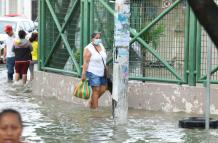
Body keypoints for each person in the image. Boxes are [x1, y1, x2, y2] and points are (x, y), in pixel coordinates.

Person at [81, 32, 108, 109]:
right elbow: (85, 63)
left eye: (99, 38)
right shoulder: (88, 48)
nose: (98, 39)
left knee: (103, 89)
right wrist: (83, 75)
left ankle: (91, 102)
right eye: (96, 38)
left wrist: (106, 68)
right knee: (96, 90)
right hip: (93, 72)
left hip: (102, 72)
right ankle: (95, 111)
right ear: (92, 39)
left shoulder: (101, 46)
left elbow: (104, 58)